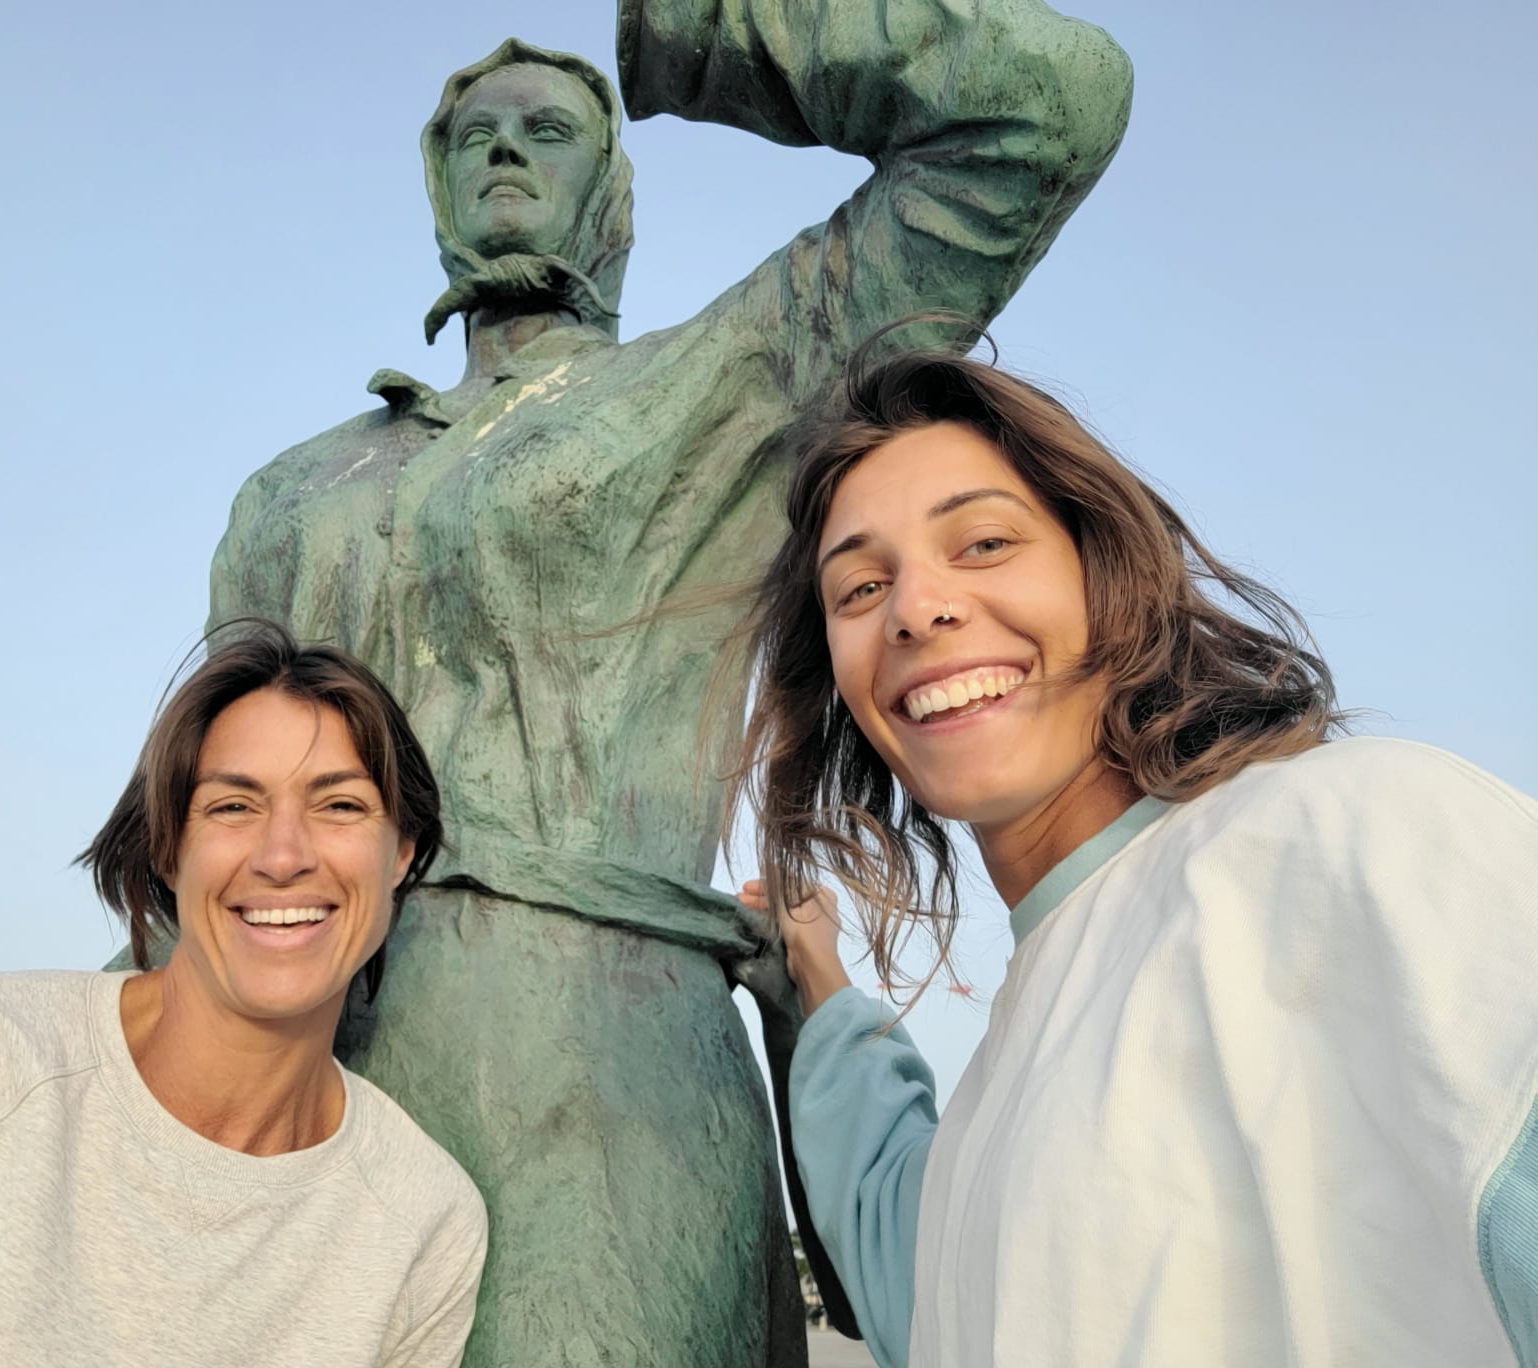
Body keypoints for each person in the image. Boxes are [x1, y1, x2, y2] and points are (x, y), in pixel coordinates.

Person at [205, 6, 1133, 1361]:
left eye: (551, 132)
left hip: (597, 1095)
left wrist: (700, 34)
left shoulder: (718, 389)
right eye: (477, 135)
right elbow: (192, 814)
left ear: (612, 192)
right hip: (278, 1076)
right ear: (433, 176)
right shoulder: (295, 488)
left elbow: (1044, 112)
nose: (507, 154)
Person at [731, 342, 1538, 1367]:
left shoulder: (1361, 836)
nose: (915, 609)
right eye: (857, 588)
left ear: (1103, 573)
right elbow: (913, 1268)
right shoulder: (995, 1107)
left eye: (982, 543)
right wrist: (820, 976)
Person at [0, 623, 487, 1366]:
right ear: (168, 848)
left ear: (402, 852)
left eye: (340, 805)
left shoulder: (422, 1223)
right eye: (232, 806)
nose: (283, 856)